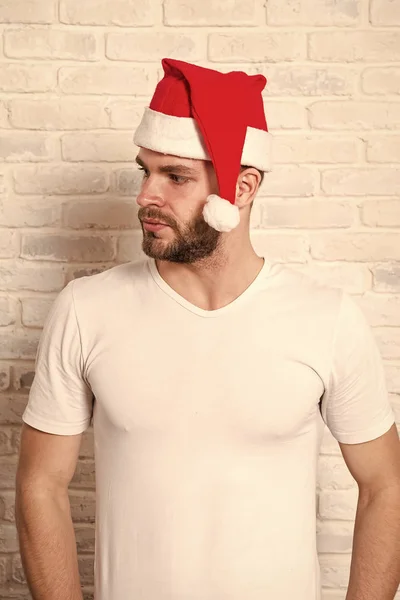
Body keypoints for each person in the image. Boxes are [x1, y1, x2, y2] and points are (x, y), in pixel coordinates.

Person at [15, 58, 400, 600]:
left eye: (175, 176)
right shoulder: (86, 309)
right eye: (144, 170)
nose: (147, 194)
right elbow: (41, 486)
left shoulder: (327, 319)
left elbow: (385, 485)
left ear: (241, 189)